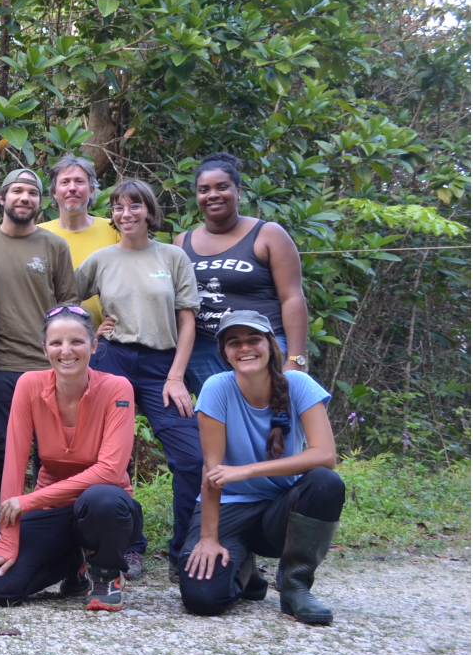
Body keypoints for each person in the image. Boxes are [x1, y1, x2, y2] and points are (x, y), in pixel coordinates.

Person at [179, 311, 344, 625]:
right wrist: (209, 537)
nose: (245, 348)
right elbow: (212, 473)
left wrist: (248, 470)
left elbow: (325, 455)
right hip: (230, 506)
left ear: (271, 344)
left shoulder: (298, 384)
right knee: (202, 598)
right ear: (224, 353)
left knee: (325, 482)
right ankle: (244, 571)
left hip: (281, 512)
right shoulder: (217, 388)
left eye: (253, 339)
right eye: (234, 342)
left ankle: (295, 584)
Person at [0, 306, 140, 611]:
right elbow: (14, 460)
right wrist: (8, 537)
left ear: (93, 345)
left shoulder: (117, 388)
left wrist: (28, 502)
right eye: (56, 343)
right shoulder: (29, 385)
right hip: (53, 512)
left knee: (101, 498)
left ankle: (106, 572)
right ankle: (74, 562)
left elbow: (110, 471)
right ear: (44, 348)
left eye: (76, 342)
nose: (66, 351)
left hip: (108, 512)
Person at [77, 178, 200, 575]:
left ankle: (186, 548)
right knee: (105, 457)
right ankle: (127, 546)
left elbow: (187, 319)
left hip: (162, 367)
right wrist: (89, 336)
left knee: (191, 456)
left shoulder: (172, 257)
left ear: (149, 211)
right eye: (117, 207)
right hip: (113, 359)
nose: (125, 214)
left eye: (134, 206)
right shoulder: (101, 259)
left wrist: (176, 376)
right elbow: (64, 301)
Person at [0, 168, 77, 542]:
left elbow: (69, 306)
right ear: (2, 198)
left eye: (32, 192)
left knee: (53, 455)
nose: (24, 197)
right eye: (17, 191)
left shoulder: (53, 247)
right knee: (1, 454)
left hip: (47, 369)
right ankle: (5, 533)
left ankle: (51, 531)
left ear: (40, 201)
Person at [176, 153, 311, 385]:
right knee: (218, 419)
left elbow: (292, 298)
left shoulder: (268, 234)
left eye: (222, 187)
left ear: (238, 191)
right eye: (204, 190)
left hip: (261, 346)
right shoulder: (181, 243)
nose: (213, 195)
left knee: (274, 419)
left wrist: (295, 360)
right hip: (203, 352)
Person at [43, 154, 122, 325]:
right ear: (54, 192)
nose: (72, 188)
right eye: (65, 182)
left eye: (79, 181)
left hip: (108, 341)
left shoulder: (115, 229)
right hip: (55, 341)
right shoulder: (39, 235)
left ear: (92, 190)